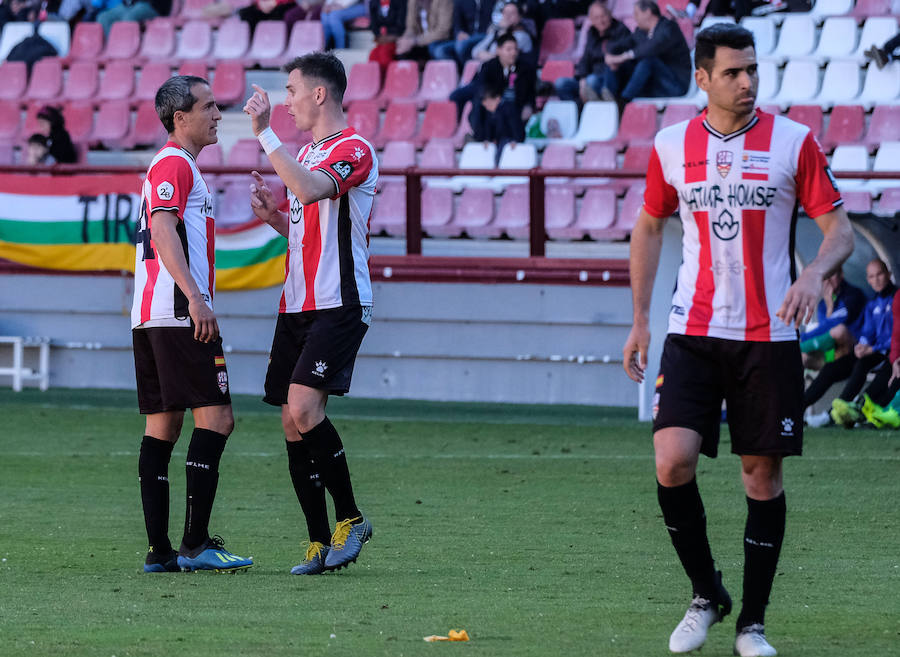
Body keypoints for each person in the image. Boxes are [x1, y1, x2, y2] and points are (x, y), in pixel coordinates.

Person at [622, 23, 852, 657]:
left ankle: (751, 623)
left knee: (761, 477)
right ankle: (706, 594)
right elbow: (647, 228)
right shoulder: (671, 145)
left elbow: (842, 232)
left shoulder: (794, 142)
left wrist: (813, 273)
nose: (747, 82)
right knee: (671, 460)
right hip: (693, 330)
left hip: (768, 336)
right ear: (702, 78)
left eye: (752, 70)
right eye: (732, 72)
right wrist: (641, 319)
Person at [242, 53, 376, 575]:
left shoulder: (354, 149)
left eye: (292, 90)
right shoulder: (310, 151)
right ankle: (319, 542)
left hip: (338, 301)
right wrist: (274, 216)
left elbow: (313, 188)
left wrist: (264, 135)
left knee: (303, 409)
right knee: (291, 422)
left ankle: (352, 519)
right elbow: (306, 229)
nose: (286, 101)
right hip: (297, 303)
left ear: (320, 94)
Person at [131, 75, 253, 574]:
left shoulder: (175, 165)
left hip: (151, 316)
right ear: (180, 118)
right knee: (217, 419)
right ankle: (196, 544)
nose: (218, 114)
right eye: (209, 107)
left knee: (163, 427)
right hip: (180, 315)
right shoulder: (175, 164)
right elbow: (162, 226)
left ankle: (161, 551)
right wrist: (196, 299)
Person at [828, 259, 896, 428]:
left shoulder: (896, 298)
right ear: (868, 280)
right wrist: (862, 345)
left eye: (880, 274)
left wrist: (873, 348)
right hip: (878, 351)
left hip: (891, 351)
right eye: (872, 276)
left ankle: (861, 408)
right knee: (844, 364)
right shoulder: (872, 303)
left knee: (889, 366)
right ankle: (840, 408)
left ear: (889, 274)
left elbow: (896, 335)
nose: (877, 279)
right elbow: (868, 332)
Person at [800, 267, 866, 426]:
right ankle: (796, 407)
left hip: (855, 349)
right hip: (836, 353)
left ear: (841, 275)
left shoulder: (853, 296)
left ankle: (837, 414)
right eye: (825, 278)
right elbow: (825, 333)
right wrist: (829, 306)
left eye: (832, 276)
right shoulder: (824, 303)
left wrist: (803, 340)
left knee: (839, 331)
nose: (828, 281)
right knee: (805, 358)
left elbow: (835, 326)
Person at [605, 0, 691, 103]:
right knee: (618, 64)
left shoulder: (669, 27)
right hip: (654, 85)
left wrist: (623, 56)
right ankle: (610, 96)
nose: (634, 18)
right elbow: (623, 44)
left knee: (648, 61)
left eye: (636, 13)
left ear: (648, 12)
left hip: (677, 85)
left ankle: (623, 101)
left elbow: (653, 47)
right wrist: (610, 55)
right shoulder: (641, 32)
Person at [467, 33, 535, 150]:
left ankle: (514, 141)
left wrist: (529, 106)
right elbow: (481, 88)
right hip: (494, 106)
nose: (513, 53)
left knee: (508, 111)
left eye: (515, 49)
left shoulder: (526, 69)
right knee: (479, 105)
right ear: (498, 50)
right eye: (509, 49)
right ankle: (481, 140)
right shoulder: (488, 67)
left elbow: (530, 93)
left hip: (516, 107)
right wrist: (493, 101)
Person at [554, 1, 631, 103]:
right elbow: (585, 58)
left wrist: (606, 36)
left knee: (591, 81)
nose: (600, 21)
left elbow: (616, 53)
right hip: (591, 77)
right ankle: (579, 111)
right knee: (561, 83)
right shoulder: (592, 32)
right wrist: (582, 79)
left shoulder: (621, 29)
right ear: (591, 20)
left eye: (603, 16)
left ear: (610, 15)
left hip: (610, 80)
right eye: (596, 18)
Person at [431, 0, 497, 66]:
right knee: (439, 50)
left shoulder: (493, 1)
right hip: (468, 37)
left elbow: (497, 19)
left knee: (460, 46)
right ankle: (458, 71)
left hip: (485, 36)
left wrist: (492, 27)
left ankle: (468, 70)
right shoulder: (461, 1)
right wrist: (459, 33)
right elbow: (457, 24)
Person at [469, 1, 534, 64]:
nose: (507, 16)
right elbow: (474, 51)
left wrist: (503, 30)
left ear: (520, 17)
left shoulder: (522, 36)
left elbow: (502, 56)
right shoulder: (497, 32)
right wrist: (483, 54)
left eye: (512, 13)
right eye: (505, 13)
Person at [367, 0, 407, 75]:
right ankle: (378, 82)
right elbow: (373, 24)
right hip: (382, 40)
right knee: (373, 56)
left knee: (384, 55)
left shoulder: (401, 2)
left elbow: (401, 24)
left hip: (397, 38)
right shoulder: (374, 3)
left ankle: (392, 77)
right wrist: (379, 35)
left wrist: (389, 36)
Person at [91, 0, 171, 35]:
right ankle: (113, 46)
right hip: (130, 6)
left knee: (129, 18)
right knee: (103, 17)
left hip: (152, 5)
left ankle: (127, 48)